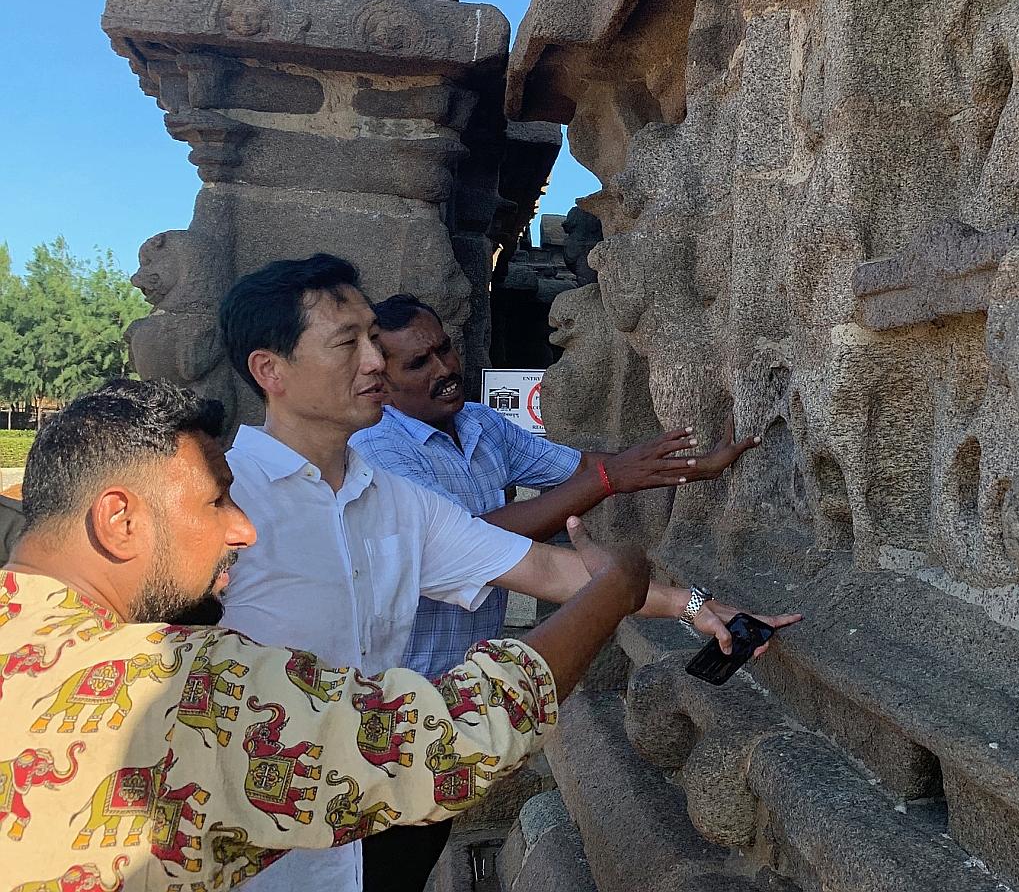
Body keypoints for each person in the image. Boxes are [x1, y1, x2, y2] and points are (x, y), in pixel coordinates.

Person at [213, 255, 799, 892]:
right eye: (346, 343)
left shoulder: (394, 500)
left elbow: (544, 568)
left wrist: (698, 609)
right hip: (257, 841)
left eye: (371, 341)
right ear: (270, 371)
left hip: (393, 802)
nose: (374, 362)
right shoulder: (215, 501)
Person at [0, 379, 650, 891]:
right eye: (215, 502)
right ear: (119, 519)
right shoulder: (182, 692)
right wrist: (612, 590)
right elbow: (452, 742)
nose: (244, 531)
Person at [351, 291, 765, 891]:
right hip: (395, 706)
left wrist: (690, 469)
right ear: (379, 381)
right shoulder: (375, 452)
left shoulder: (477, 422)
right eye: (419, 363)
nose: (444, 369)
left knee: (417, 847)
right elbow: (484, 545)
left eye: (444, 349)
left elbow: (575, 476)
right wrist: (606, 482)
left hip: (460, 699)